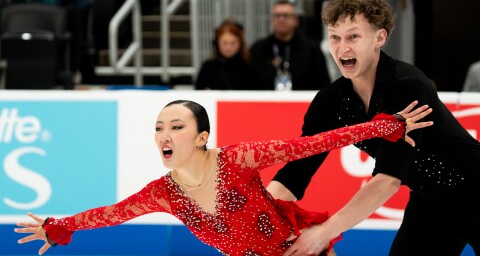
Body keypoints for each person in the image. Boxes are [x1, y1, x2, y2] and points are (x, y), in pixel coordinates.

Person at [14, 99, 433, 256]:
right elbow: (110, 214)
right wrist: (58, 227)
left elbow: (312, 144)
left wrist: (383, 126)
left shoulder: (238, 159)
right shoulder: (163, 194)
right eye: (159, 127)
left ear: (201, 137)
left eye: (176, 127)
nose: (164, 135)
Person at [266, 0, 480, 256]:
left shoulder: (407, 87)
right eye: (335, 37)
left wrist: (323, 233)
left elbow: (388, 178)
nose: (343, 48)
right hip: (431, 205)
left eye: (353, 36)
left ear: (379, 38)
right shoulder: (330, 101)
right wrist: (254, 217)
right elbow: (295, 174)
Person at [249, 0, 331, 91]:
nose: (281, 19)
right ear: (271, 20)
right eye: (277, 15)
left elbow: (324, 84)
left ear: (296, 20)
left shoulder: (311, 49)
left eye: (286, 15)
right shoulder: (258, 48)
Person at [195, 19, 261, 90]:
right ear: (217, 43)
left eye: (232, 43)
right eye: (225, 43)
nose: (228, 47)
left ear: (240, 44)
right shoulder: (207, 68)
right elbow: (198, 91)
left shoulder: (252, 67)